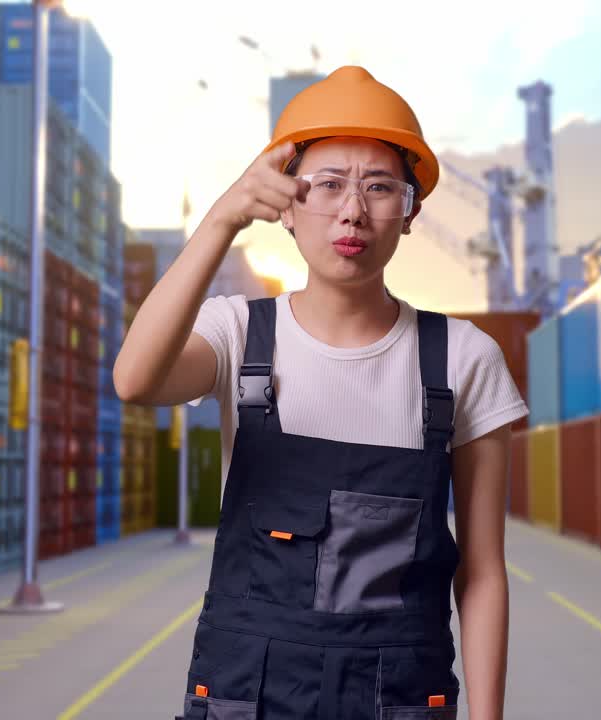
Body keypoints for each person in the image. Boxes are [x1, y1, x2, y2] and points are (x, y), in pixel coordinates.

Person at [113, 66, 526, 720]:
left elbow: (481, 573)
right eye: (328, 185)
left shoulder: (465, 360)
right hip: (247, 694)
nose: (353, 210)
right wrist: (222, 217)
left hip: (401, 697)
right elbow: (134, 379)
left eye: (380, 187)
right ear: (285, 205)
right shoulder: (237, 333)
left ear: (410, 212)